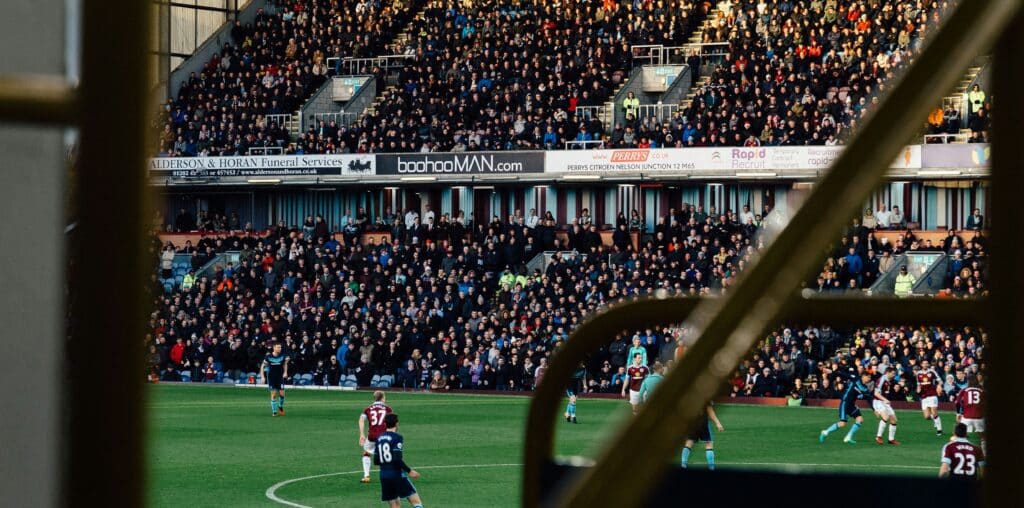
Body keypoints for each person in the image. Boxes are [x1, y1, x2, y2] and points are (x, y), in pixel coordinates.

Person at [376, 413, 424, 508]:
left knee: (395, 505)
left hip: (384, 476)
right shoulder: (397, 437)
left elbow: (376, 461)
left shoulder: (379, 438)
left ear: (385, 424)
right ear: (397, 424)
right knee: (416, 502)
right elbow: (397, 459)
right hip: (397, 475)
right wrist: (409, 471)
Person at [820, 371, 872, 444]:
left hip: (852, 405)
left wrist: (874, 409)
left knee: (860, 419)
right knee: (842, 423)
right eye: (868, 377)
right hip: (845, 403)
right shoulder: (856, 379)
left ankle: (848, 437)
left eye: (870, 377)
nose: (869, 379)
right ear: (863, 376)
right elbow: (842, 374)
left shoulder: (865, 388)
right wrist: (832, 372)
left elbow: (869, 398)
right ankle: (825, 432)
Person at [359, 391, 394, 483]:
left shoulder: (368, 409)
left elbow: (361, 420)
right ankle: (390, 476)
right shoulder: (388, 409)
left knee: (366, 453)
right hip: (384, 436)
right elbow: (392, 423)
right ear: (383, 398)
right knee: (387, 455)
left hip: (372, 436)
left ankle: (366, 476)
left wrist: (362, 434)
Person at [680, 404, 724, 469]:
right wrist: (717, 423)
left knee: (689, 442)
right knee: (709, 443)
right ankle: (711, 467)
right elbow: (709, 409)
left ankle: (683, 464)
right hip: (702, 421)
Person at [955, 378, 985, 454]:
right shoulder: (982, 391)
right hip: (979, 417)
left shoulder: (964, 390)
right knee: (983, 437)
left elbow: (957, 402)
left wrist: (958, 414)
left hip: (967, 417)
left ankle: (962, 452)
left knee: (960, 435)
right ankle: (984, 453)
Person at [259, 341, 289, 416]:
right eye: (278, 347)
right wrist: (262, 377)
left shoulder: (282, 355)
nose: (280, 348)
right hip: (271, 377)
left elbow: (285, 364)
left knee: (282, 394)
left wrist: (285, 372)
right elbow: (262, 366)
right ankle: (274, 412)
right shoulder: (268, 357)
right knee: (274, 394)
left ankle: (280, 407)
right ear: (274, 348)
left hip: (280, 377)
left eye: (280, 347)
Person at [872, 367, 900, 445]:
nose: (894, 375)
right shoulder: (881, 380)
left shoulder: (889, 380)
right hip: (878, 401)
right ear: (887, 372)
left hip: (884, 401)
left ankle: (891, 439)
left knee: (894, 420)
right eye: (893, 373)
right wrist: (885, 400)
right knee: (885, 417)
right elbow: (876, 393)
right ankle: (878, 436)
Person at [917, 360, 944, 436]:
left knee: (934, 412)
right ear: (921, 364)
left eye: (926, 363)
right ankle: (935, 420)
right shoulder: (918, 374)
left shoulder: (932, 372)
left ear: (928, 364)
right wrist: (918, 389)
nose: (925, 365)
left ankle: (939, 430)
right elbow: (918, 384)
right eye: (924, 363)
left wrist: (939, 386)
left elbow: (940, 381)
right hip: (924, 396)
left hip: (932, 395)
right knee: (927, 417)